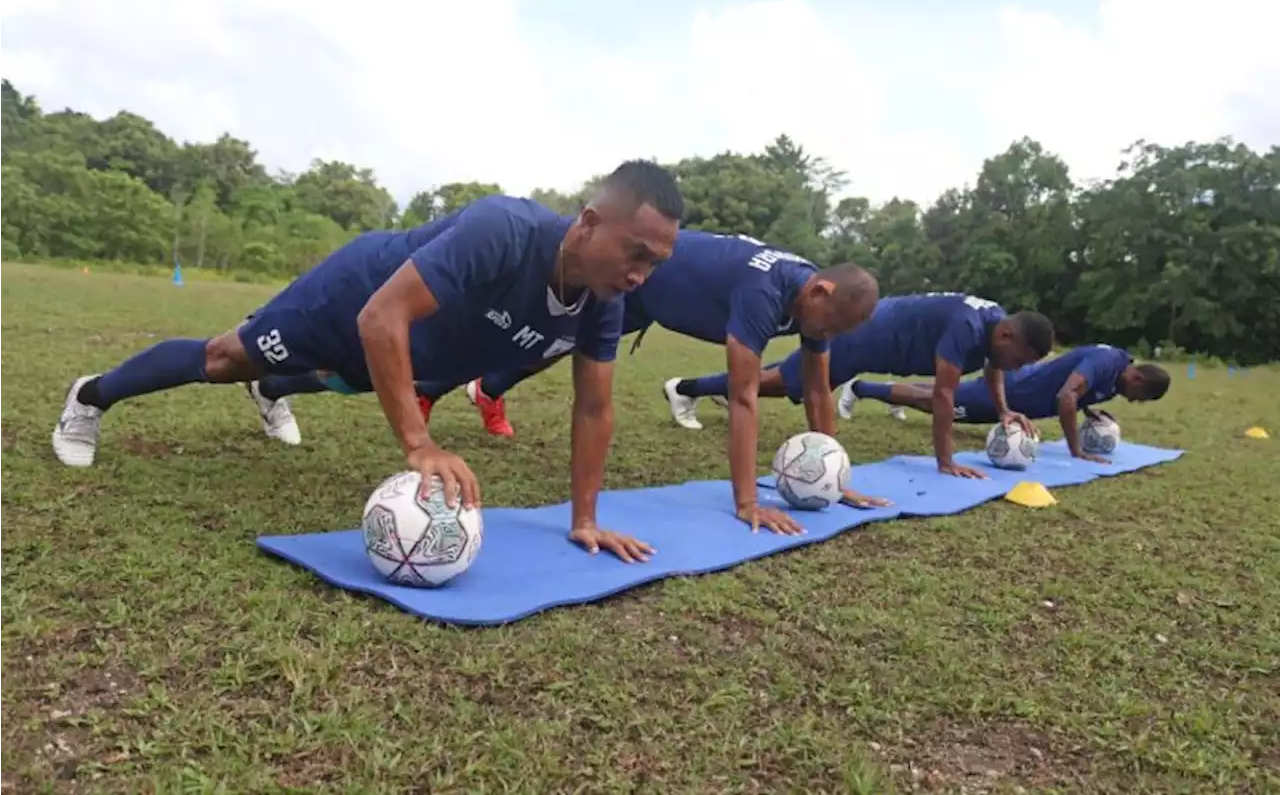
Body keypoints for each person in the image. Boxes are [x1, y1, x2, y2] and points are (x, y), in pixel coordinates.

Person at [51, 160, 683, 563]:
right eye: (635, 253)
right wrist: (419, 443)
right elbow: (381, 318)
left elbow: (595, 408)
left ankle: (274, 391)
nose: (640, 275)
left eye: (655, 263)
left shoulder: (604, 299)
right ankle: (90, 397)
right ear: (589, 223)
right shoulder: (505, 231)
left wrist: (586, 520)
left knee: (347, 379)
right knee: (223, 360)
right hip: (354, 297)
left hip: (420, 346)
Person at [414, 231, 884, 534]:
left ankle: (488, 389)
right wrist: (746, 503)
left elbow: (818, 390)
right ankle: (433, 385)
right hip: (639, 281)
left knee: (558, 347)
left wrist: (836, 474)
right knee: (539, 339)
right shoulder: (766, 292)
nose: (825, 337)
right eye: (828, 327)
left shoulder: (817, 306)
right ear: (820, 291)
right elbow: (742, 397)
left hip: (657, 300)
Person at [682, 292, 1056, 479]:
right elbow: (943, 395)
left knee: (783, 378)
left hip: (873, 339)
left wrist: (1004, 409)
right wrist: (946, 462)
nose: (1016, 368)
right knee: (782, 382)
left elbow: (994, 368)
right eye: (1019, 360)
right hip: (861, 339)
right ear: (1007, 334)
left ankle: (696, 388)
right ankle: (686, 388)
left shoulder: (996, 328)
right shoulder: (970, 327)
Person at [843, 344, 1171, 462]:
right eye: (1140, 398)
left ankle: (886, 392)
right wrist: (1076, 450)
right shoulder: (1107, 360)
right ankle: (860, 387)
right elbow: (1066, 396)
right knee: (935, 401)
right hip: (1008, 392)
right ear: (1139, 379)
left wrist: (1089, 411)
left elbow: (1079, 390)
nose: (1134, 402)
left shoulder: (1115, 378)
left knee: (937, 396)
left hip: (1019, 398)